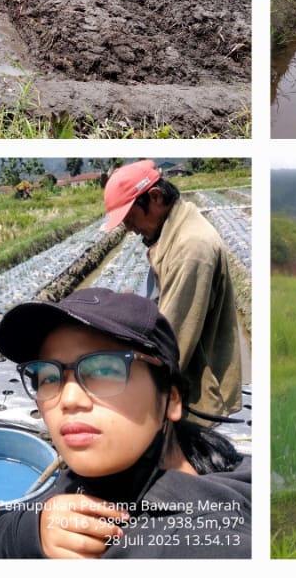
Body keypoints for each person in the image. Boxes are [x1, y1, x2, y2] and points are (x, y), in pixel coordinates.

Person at [0, 289, 251, 559]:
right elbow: (2, 532)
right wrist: (33, 531)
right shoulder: (102, 474)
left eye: (104, 370)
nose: (68, 399)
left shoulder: (209, 542)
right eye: (48, 377)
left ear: (171, 400)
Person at [101, 162, 241, 424]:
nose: (129, 228)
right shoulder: (172, 231)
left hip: (197, 395)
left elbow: (171, 340)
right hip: (184, 382)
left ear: (155, 197)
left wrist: (118, 380)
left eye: (130, 217)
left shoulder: (192, 248)